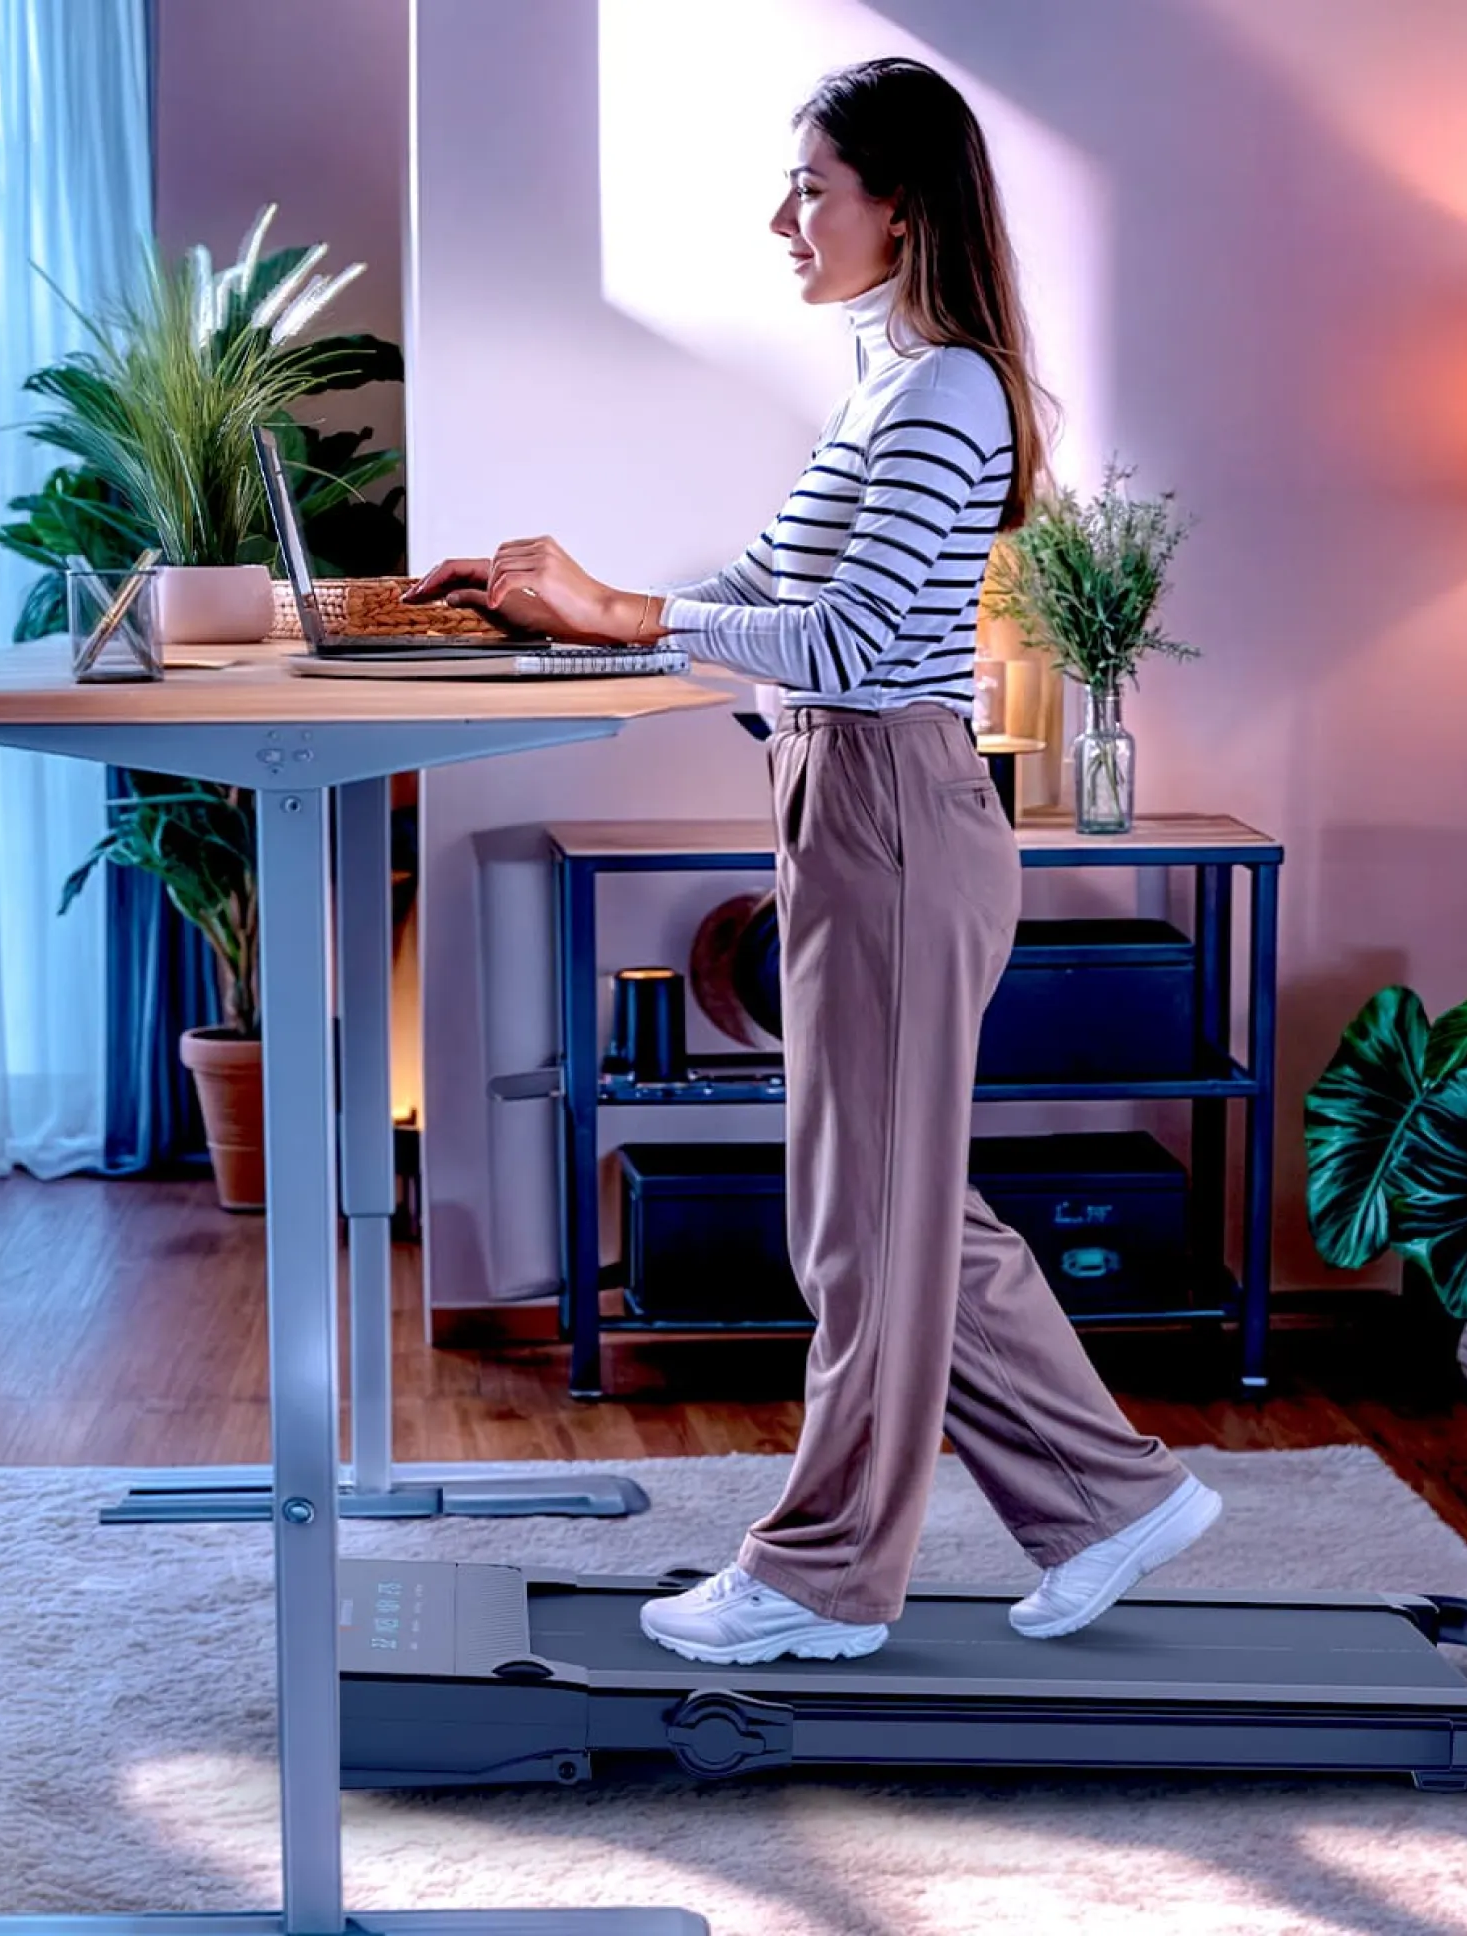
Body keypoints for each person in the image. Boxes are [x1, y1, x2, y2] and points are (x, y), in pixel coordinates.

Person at [405, 57, 1220, 1667]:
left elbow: (847, 640)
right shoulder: (884, 387)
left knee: (863, 1227)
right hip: (844, 806)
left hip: (894, 813)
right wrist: (566, 603)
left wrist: (637, 618)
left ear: (900, 205)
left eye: (812, 187)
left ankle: (824, 1578)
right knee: (903, 1208)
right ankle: (1110, 1498)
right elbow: (768, 582)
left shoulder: (950, 394)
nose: (785, 218)